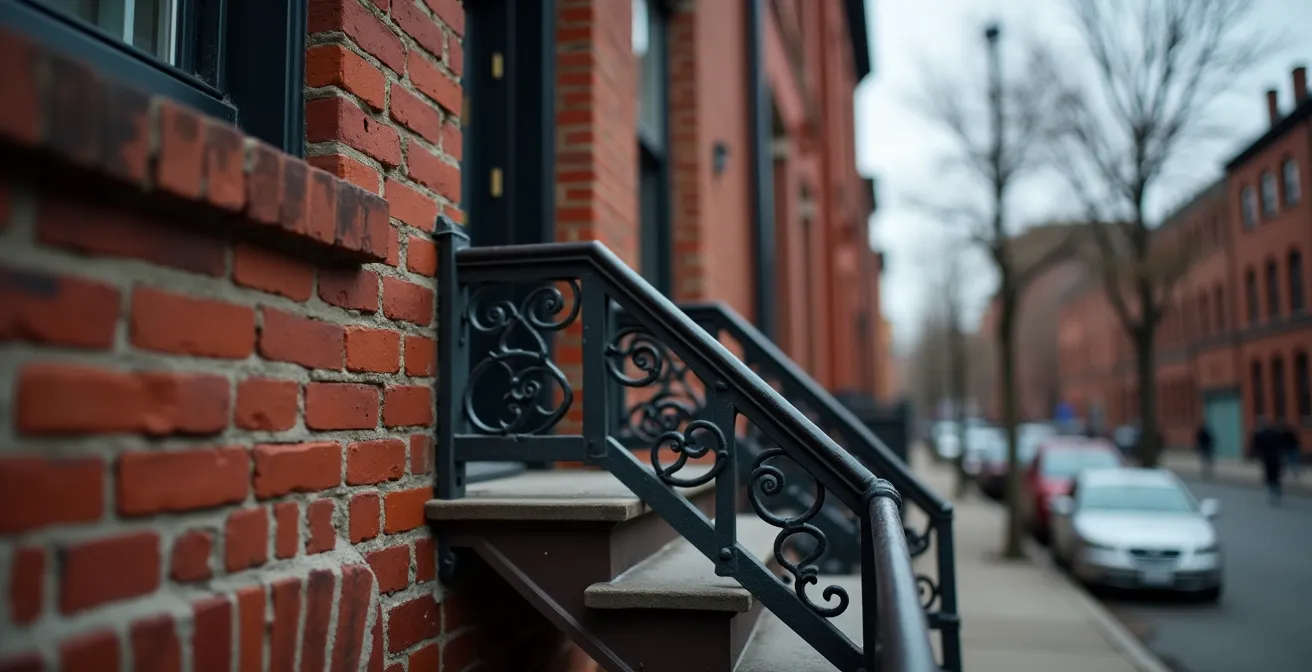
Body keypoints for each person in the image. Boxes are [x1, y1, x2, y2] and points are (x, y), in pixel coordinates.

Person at [1249, 416, 1287, 506]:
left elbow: (1256, 446)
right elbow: (1282, 444)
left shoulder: (1260, 435)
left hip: (1266, 458)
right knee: (1276, 475)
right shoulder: (1276, 433)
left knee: (1269, 475)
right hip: (1276, 457)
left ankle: (1272, 492)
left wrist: (1257, 454)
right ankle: (1277, 489)